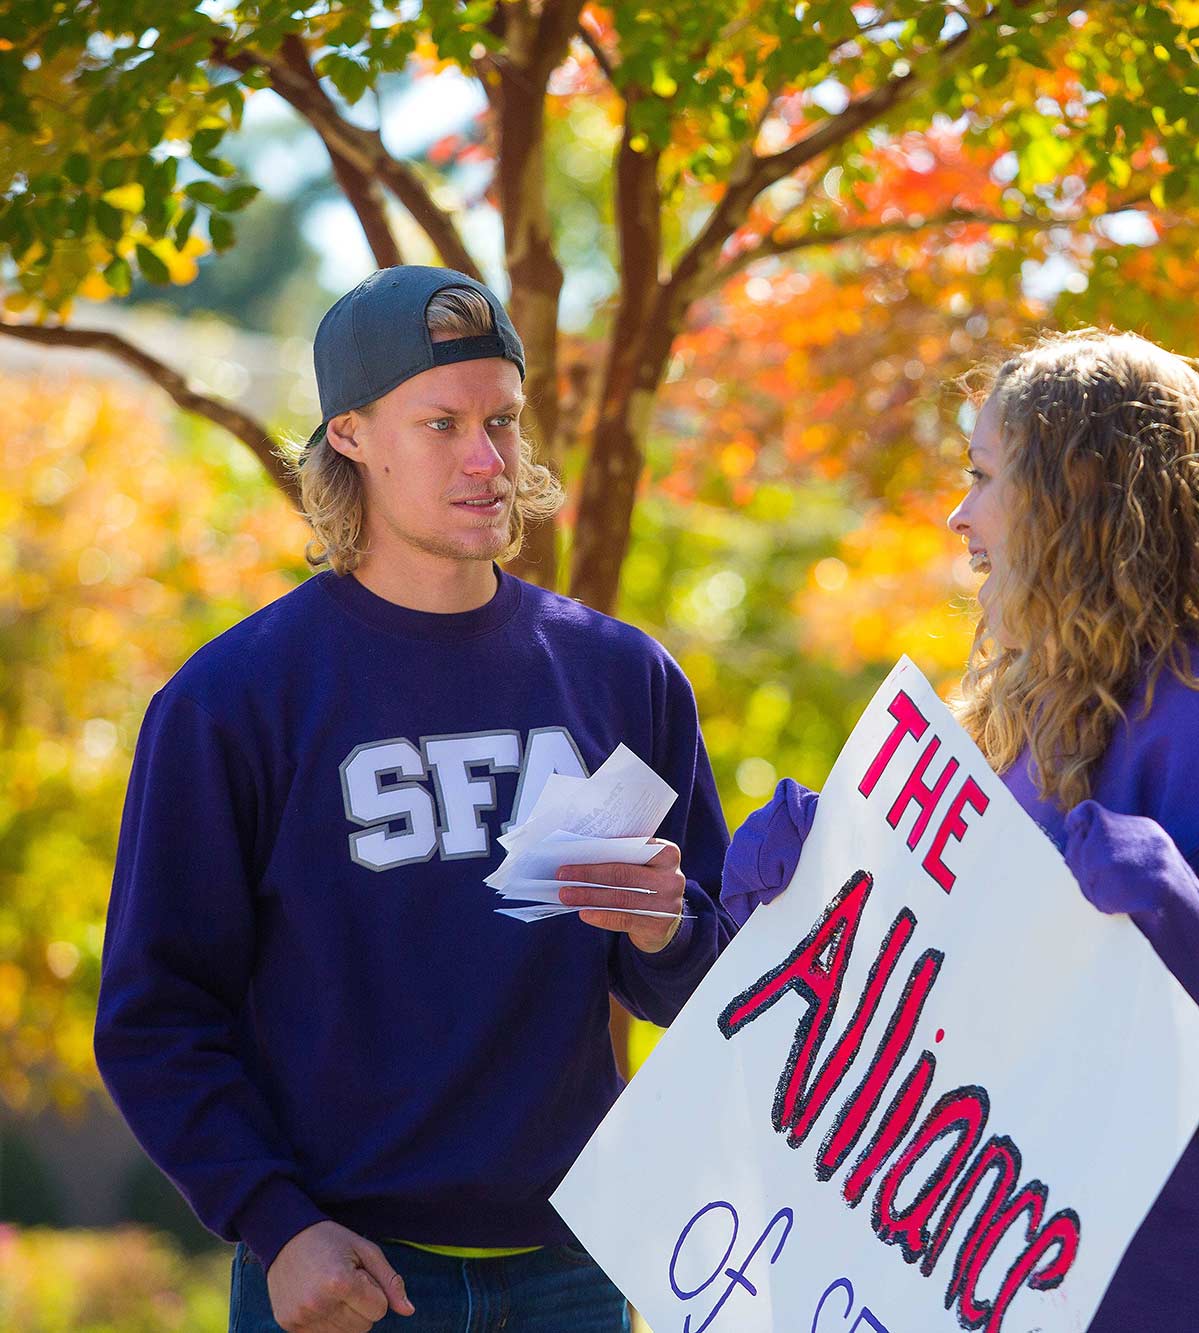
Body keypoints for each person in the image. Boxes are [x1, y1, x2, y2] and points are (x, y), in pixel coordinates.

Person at [96, 266, 734, 1333]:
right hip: (344, 1272)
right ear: (349, 434)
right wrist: (275, 1221)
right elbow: (156, 1014)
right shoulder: (234, 700)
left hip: (574, 1270)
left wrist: (665, 932)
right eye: (441, 424)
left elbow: (705, 983)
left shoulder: (621, 676)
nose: (486, 460)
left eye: (503, 421)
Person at [723, 329, 1199, 1330]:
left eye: (982, 477)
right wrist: (819, 874)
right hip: (1004, 1285)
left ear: (1075, 498)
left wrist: (1165, 895)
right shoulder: (1013, 724)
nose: (957, 513)